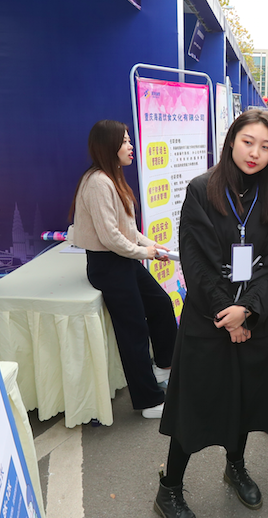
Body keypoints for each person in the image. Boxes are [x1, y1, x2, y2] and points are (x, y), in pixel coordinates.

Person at [155, 111, 268, 517]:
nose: (255, 153)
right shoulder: (202, 190)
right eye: (248, 142)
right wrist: (227, 315)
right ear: (231, 141)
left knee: (245, 399)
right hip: (208, 320)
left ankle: (235, 466)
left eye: (266, 147)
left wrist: (247, 311)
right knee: (194, 405)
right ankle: (170, 488)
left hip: (254, 318)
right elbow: (197, 262)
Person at [70, 120, 178, 419]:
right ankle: (149, 401)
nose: (131, 147)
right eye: (125, 141)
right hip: (108, 265)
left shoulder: (111, 177)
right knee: (133, 331)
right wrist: (145, 252)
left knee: (160, 304)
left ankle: (162, 368)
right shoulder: (98, 182)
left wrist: (152, 247)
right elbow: (110, 237)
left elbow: (127, 229)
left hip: (123, 259)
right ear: (109, 145)